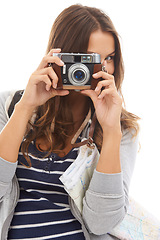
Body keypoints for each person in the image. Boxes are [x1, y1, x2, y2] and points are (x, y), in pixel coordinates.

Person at [0, 4, 140, 240]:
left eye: (109, 58)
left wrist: (111, 130)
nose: (101, 70)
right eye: (89, 59)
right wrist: (25, 108)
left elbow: (100, 223)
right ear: (60, 56)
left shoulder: (121, 128)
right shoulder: (11, 105)